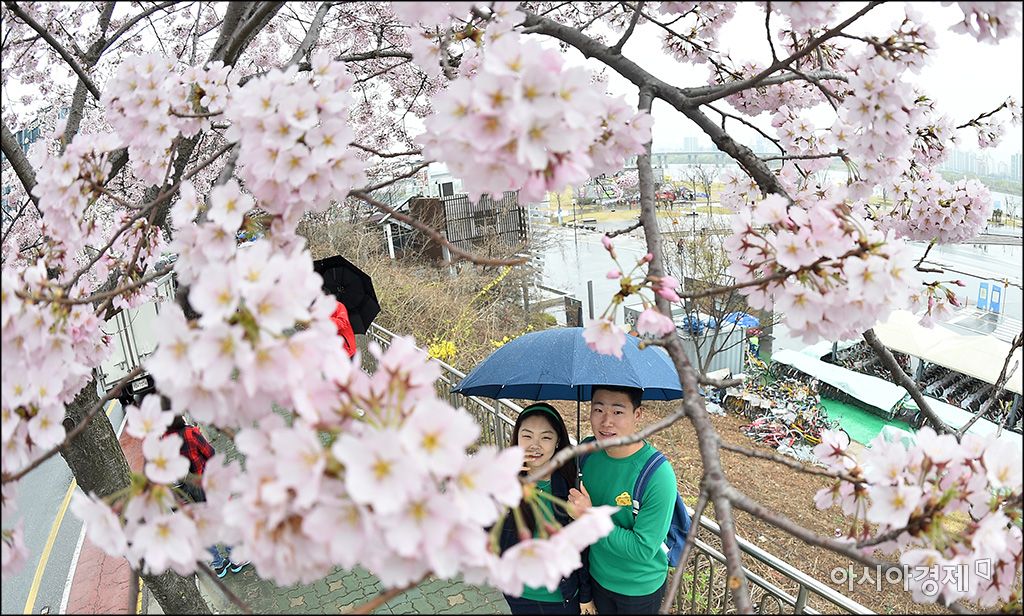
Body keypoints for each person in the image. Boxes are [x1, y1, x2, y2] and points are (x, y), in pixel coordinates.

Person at [567, 385, 677, 614]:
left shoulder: (657, 475)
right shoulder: (586, 453)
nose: (606, 422)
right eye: (598, 410)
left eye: (617, 412)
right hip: (597, 576)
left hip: (638, 589)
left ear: (638, 414)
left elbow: (642, 549)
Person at [497, 403, 596, 615]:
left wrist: (586, 595)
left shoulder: (571, 486)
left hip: (562, 597)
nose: (535, 445)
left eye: (546, 437)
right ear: (517, 439)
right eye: (527, 436)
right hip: (519, 595)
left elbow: (583, 549)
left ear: (558, 441)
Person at [163, 414, 250, 578]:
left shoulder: (164, 439)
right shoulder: (190, 433)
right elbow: (210, 454)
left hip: (186, 493)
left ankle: (218, 564)